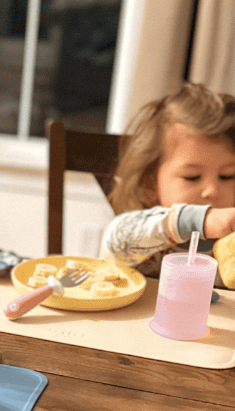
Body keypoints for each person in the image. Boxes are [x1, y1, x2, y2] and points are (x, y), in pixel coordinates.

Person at [100, 83, 235, 284]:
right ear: (150, 184)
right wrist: (192, 221)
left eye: (227, 176)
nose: (211, 191)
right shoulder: (146, 234)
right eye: (192, 177)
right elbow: (115, 241)